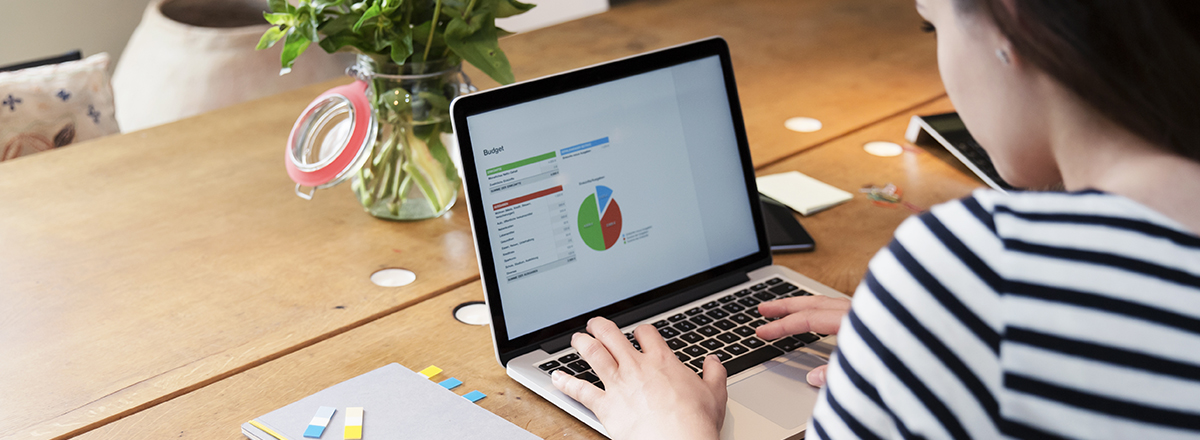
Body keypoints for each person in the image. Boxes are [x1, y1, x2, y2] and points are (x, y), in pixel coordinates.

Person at [549, 0, 1200, 438]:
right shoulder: (981, 298)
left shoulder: (982, 274)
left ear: (1014, 32)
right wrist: (918, 344)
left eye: (933, 24)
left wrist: (672, 431)